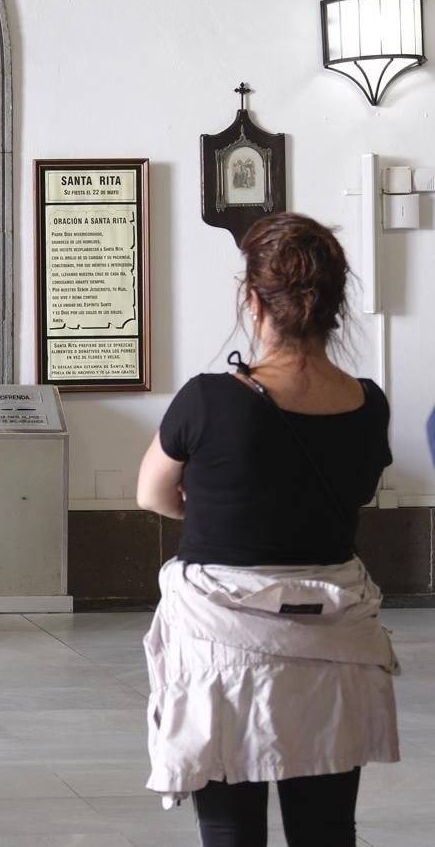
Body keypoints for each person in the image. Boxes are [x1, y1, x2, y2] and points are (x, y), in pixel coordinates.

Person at [135, 212, 399, 847]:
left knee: (230, 829)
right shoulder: (369, 403)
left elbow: (151, 494)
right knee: (328, 829)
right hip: (334, 641)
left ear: (252, 300)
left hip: (222, 650)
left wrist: (215, 510)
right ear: (334, 305)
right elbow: (358, 492)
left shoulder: (207, 398)